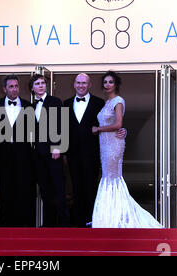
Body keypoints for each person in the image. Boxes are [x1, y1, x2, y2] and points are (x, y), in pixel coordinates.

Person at [90, 71, 162, 228]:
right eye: (105, 82)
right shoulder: (106, 102)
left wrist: (98, 129)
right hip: (105, 145)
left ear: (116, 84)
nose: (107, 85)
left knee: (112, 178)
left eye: (110, 82)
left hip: (113, 146)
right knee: (107, 177)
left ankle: (115, 217)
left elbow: (118, 125)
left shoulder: (118, 101)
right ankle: (108, 216)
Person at [64, 73, 127, 227]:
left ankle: (92, 220)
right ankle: (78, 223)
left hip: (93, 153)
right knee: (76, 187)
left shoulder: (100, 103)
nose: (81, 85)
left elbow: (113, 121)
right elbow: (62, 129)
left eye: (84, 83)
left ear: (90, 85)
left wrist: (124, 130)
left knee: (91, 186)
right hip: (72, 153)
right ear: (74, 84)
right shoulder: (65, 103)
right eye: (78, 82)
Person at [0, 75, 36, 227]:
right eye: (11, 86)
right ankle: (7, 226)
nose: (14, 89)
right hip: (3, 154)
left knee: (24, 188)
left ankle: (25, 226)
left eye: (16, 86)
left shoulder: (28, 106)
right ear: (4, 89)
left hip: (24, 154)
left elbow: (35, 132)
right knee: (6, 188)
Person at [30, 74, 70, 227]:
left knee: (58, 188)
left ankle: (64, 225)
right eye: (37, 84)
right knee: (45, 190)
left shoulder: (55, 101)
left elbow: (62, 125)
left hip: (54, 152)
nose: (41, 86)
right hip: (39, 154)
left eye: (42, 83)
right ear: (32, 88)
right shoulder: (32, 107)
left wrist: (58, 147)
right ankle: (49, 224)